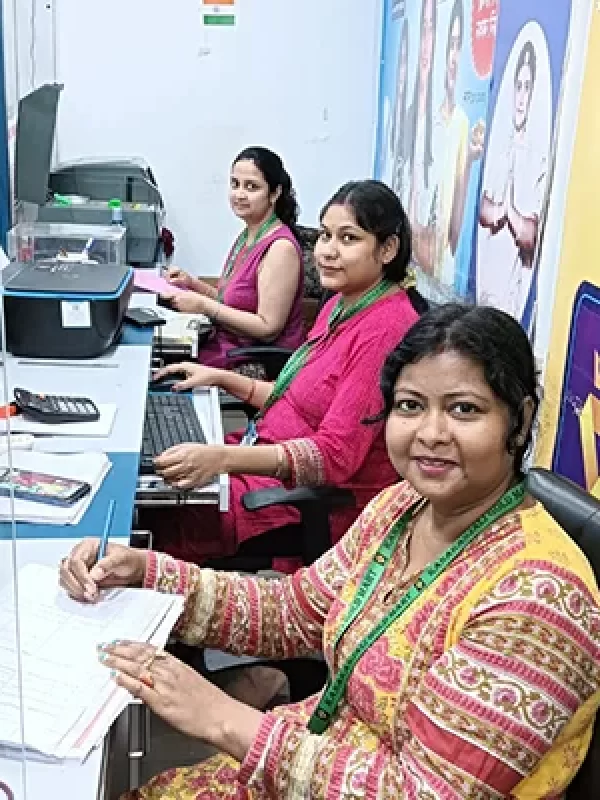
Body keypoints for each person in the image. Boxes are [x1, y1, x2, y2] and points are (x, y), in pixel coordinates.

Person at [61, 304, 600, 799]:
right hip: (312, 753)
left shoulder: (537, 598)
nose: (431, 433)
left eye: (464, 409)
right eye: (410, 406)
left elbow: (422, 793)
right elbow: (294, 611)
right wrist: (147, 574)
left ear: (521, 420)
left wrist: (224, 718)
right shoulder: (405, 506)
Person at [140, 180, 428, 565]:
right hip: (259, 450)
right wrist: (220, 378)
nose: (327, 250)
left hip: (302, 498)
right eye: (325, 235)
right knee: (150, 473)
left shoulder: (386, 330)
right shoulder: (343, 303)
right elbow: (295, 395)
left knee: (157, 517)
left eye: (348, 238)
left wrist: (222, 459)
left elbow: (333, 458)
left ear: (387, 249)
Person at [162, 146, 305, 368]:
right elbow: (228, 301)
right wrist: (191, 284)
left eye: (252, 187)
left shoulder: (280, 249)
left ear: (275, 193)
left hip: (254, 360)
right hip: (226, 345)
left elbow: (268, 329)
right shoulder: (249, 233)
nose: (239, 194)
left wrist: (204, 306)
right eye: (235, 184)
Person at [411, 0, 485, 287]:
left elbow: (453, 235)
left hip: (440, 278)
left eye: (459, 45)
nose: (453, 57)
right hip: (418, 271)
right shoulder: (423, 121)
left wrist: (467, 163)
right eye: (449, 44)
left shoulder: (461, 125)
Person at [478, 40, 548, 324]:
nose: (521, 97)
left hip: (512, 290)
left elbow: (530, 234)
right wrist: (500, 211)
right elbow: (484, 209)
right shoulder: (501, 145)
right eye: (517, 87)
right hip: (489, 281)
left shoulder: (537, 156)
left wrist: (509, 212)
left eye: (526, 88)